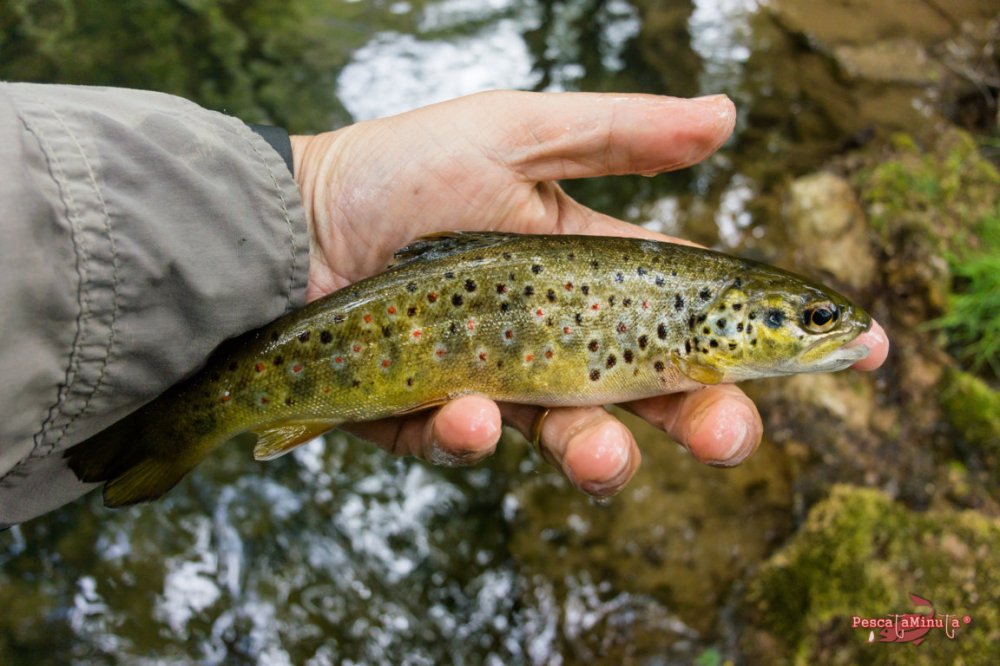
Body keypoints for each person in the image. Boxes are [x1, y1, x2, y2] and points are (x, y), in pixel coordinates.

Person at [0, 84, 889, 527]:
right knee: (232, 405)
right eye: (810, 320)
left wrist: (306, 199)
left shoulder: (701, 334)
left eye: (815, 321)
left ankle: (158, 425)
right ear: (732, 319)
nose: (832, 332)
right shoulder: (691, 331)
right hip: (344, 323)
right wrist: (311, 203)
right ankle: (169, 428)